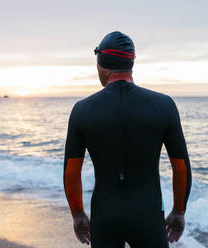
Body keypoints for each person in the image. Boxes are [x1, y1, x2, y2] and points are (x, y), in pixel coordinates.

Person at [63, 31, 192, 248]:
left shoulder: (82, 110)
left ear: (101, 63)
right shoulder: (164, 105)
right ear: (131, 63)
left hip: (105, 216)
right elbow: (180, 167)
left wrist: (77, 214)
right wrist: (179, 211)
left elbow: (71, 171)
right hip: (148, 215)